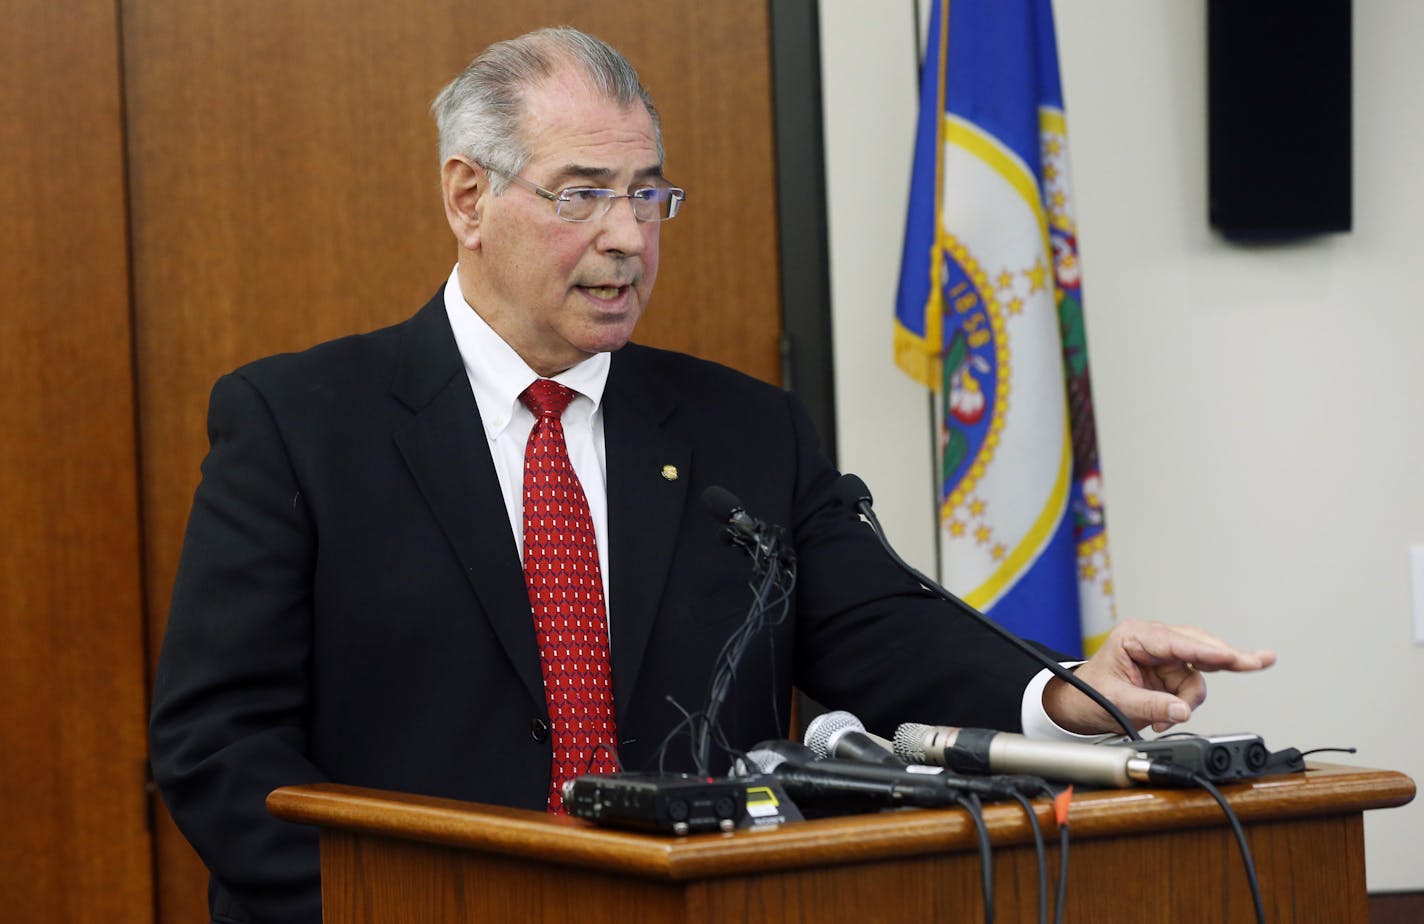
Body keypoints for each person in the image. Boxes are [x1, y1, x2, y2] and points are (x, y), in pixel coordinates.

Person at [149, 26, 1275, 924]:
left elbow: (882, 627)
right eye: (581, 193)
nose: (629, 237)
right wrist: (424, 903)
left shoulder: (746, 431)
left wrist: (1066, 690)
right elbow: (216, 747)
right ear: (466, 198)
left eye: (648, 194)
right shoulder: (302, 423)